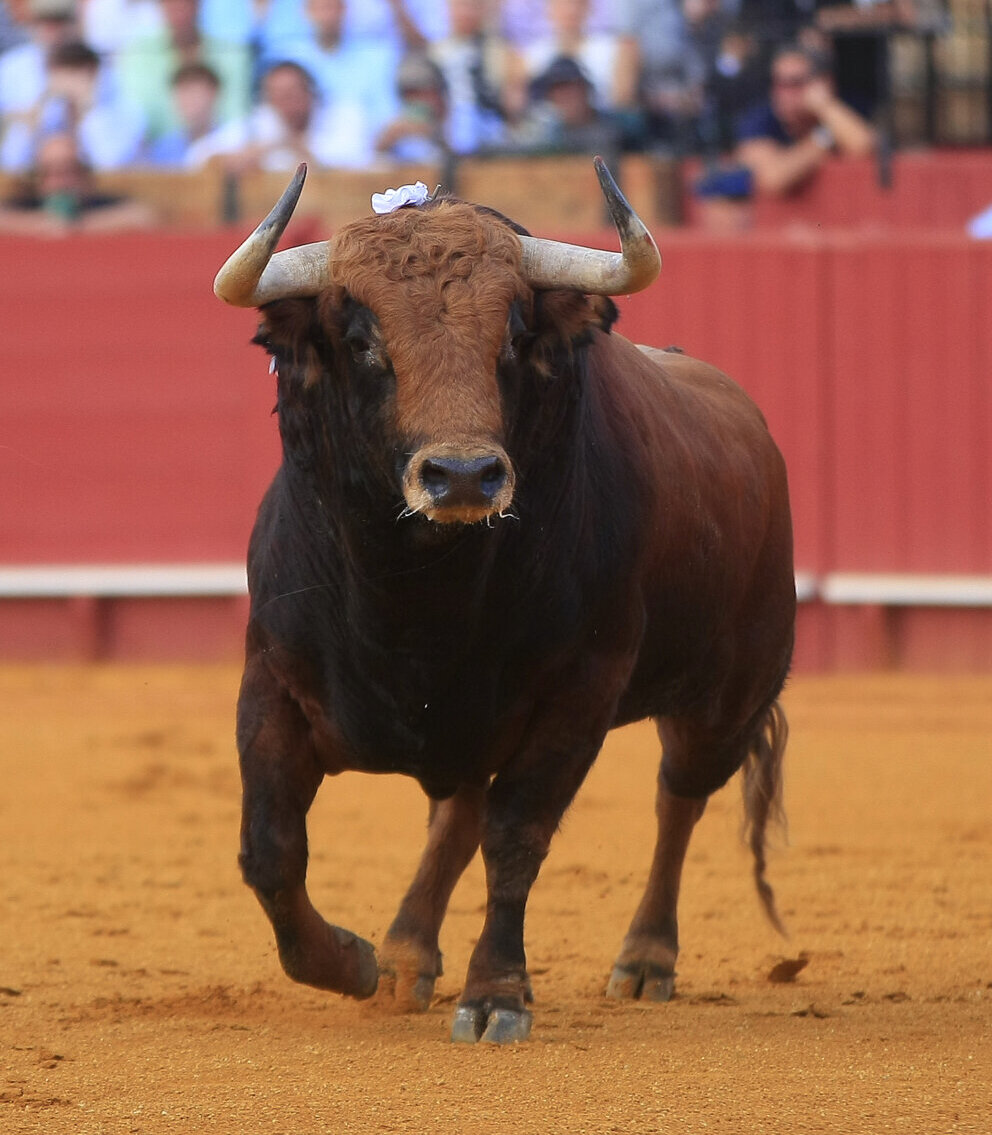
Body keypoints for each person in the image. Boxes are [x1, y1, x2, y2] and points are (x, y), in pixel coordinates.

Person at [733, 42, 876, 196]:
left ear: (823, 84)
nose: (784, 94)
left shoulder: (842, 108)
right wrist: (825, 138)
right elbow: (773, 178)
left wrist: (825, 105)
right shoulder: (759, 119)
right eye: (779, 83)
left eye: (795, 83)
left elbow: (865, 147)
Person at [186, 58, 371, 170]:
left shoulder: (343, 116)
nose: (286, 102)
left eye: (292, 93)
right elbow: (197, 156)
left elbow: (358, 163)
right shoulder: (261, 122)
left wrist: (295, 146)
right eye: (277, 96)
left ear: (310, 92)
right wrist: (245, 156)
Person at [114, 0, 250, 147]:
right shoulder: (139, 53)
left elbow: (237, 115)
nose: (180, 10)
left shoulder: (232, 52)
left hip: (226, 151)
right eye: (171, 4)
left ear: (199, 5)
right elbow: (138, 115)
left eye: (186, 3)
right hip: (158, 155)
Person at [258, 0, 400, 139]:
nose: (327, 15)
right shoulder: (285, 54)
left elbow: (386, 112)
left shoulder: (377, 56)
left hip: (363, 145)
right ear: (306, 11)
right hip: (301, 140)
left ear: (344, 9)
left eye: (332, 7)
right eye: (320, 8)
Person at [1, 38, 145, 171]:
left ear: (93, 73)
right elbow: (12, 164)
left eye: (73, 73)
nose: (67, 83)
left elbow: (109, 164)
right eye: (59, 74)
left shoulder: (126, 111)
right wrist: (32, 126)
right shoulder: (48, 112)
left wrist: (87, 109)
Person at [502, 0, 638, 123]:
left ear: (589, 6)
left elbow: (622, 103)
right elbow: (515, 108)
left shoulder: (616, 50)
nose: (569, 11)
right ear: (549, 8)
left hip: (601, 133)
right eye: (562, 3)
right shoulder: (527, 56)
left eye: (576, 3)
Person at [0, 128, 157, 232]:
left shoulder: (96, 203)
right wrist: (39, 224)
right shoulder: (28, 203)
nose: (62, 182)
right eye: (51, 173)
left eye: (69, 171)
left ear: (84, 175)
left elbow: (144, 216)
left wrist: (79, 226)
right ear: (38, 179)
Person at [427, 0, 507, 154]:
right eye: (460, 5)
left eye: (473, 6)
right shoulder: (434, 54)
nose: (466, 13)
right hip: (443, 138)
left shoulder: (500, 52)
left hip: (491, 137)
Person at [506, 53, 621, 156]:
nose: (565, 98)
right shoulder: (547, 132)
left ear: (584, 90)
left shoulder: (610, 130)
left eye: (570, 89)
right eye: (558, 90)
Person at [373, 50, 449, 165]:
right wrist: (384, 146)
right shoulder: (393, 125)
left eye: (424, 92)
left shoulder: (459, 119)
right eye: (410, 93)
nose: (417, 100)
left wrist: (434, 135)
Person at [143, 58, 220, 165]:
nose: (189, 101)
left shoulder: (231, 143)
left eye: (194, 92)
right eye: (183, 92)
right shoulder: (163, 149)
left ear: (213, 93)